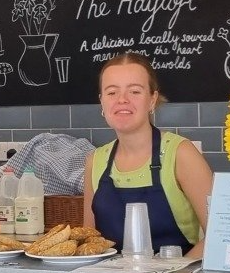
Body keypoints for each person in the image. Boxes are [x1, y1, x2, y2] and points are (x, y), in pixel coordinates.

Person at [83, 53, 213, 258]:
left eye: (135, 91)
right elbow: (90, 241)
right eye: (111, 92)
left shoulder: (181, 154)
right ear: (101, 102)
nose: (122, 100)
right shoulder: (95, 160)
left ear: (152, 99)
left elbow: (219, 236)